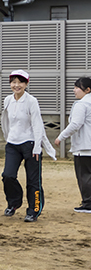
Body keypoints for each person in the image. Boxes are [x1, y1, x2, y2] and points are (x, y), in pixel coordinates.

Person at [1, 70, 54, 222]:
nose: (16, 85)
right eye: (13, 82)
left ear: (26, 84)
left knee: (33, 181)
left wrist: (37, 146)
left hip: (30, 144)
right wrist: (7, 137)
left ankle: (33, 210)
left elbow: (37, 125)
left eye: (20, 82)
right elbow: (6, 121)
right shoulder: (8, 100)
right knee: (8, 175)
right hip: (12, 144)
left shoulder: (32, 101)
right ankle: (14, 203)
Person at [55, 77, 91, 213]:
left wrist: (61, 137)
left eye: (77, 87)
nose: (74, 90)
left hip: (84, 146)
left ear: (87, 90)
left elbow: (75, 124)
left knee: (85, 176)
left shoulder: (82, 105)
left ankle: (88, 204)